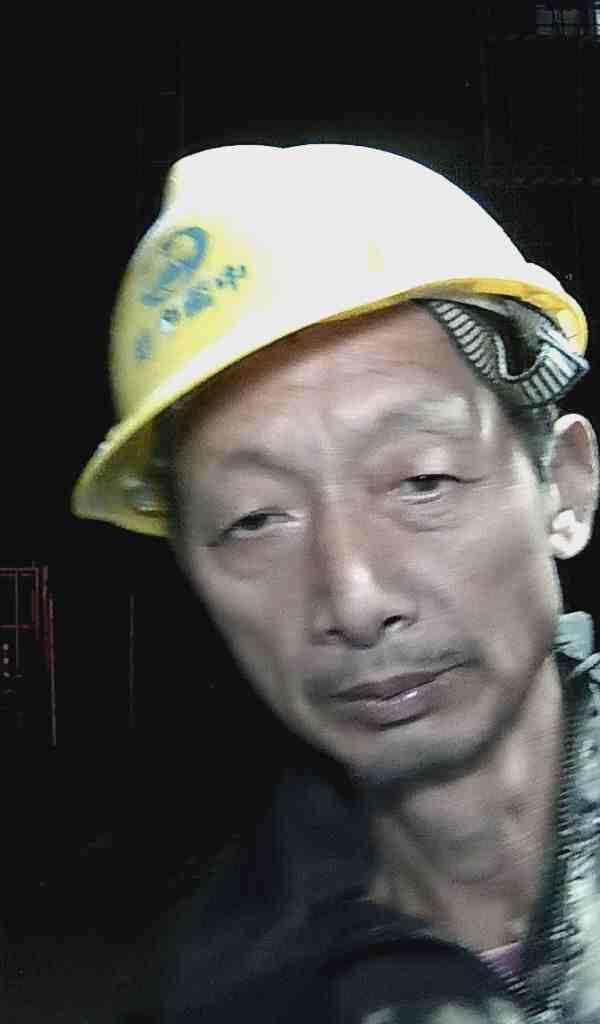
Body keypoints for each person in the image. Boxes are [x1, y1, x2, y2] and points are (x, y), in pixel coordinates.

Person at [73, 145, 600, 1022]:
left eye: (422, 480)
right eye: (254, 520)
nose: (354, 600)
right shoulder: (230, 997)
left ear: (565, 487)